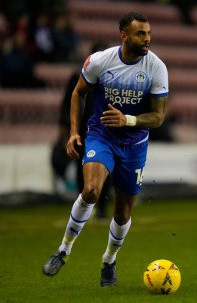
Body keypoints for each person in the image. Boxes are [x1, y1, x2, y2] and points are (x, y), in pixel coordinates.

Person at [42, 12, 169, 287]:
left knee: (123, 214)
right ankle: (63, 251)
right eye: (141, 34)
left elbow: (158, 117)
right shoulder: (100, 61)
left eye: (148, 33)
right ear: (124, 36)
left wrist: (128, 120)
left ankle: (109, 260)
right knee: (90, 191)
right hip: (101, 136)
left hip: (134, 144)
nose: (147, 39)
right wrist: (75, 132)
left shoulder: (156, 68)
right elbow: (78, 93)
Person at [51, 41, 112, 220]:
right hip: (85, 131)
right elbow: (69, 103)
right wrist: (69, 129)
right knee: (82, 168)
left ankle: (100, 208)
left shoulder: (112, 78)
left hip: (105, 131)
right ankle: (85, 207)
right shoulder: (80, 76)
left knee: (104, 171)